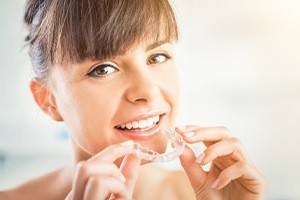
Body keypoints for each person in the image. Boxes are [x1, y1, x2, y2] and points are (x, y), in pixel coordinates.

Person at [0, 0, 266, 199]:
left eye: (156, 57)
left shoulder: (218, 194)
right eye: (103, 69)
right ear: (48, 99)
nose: (147, 91)